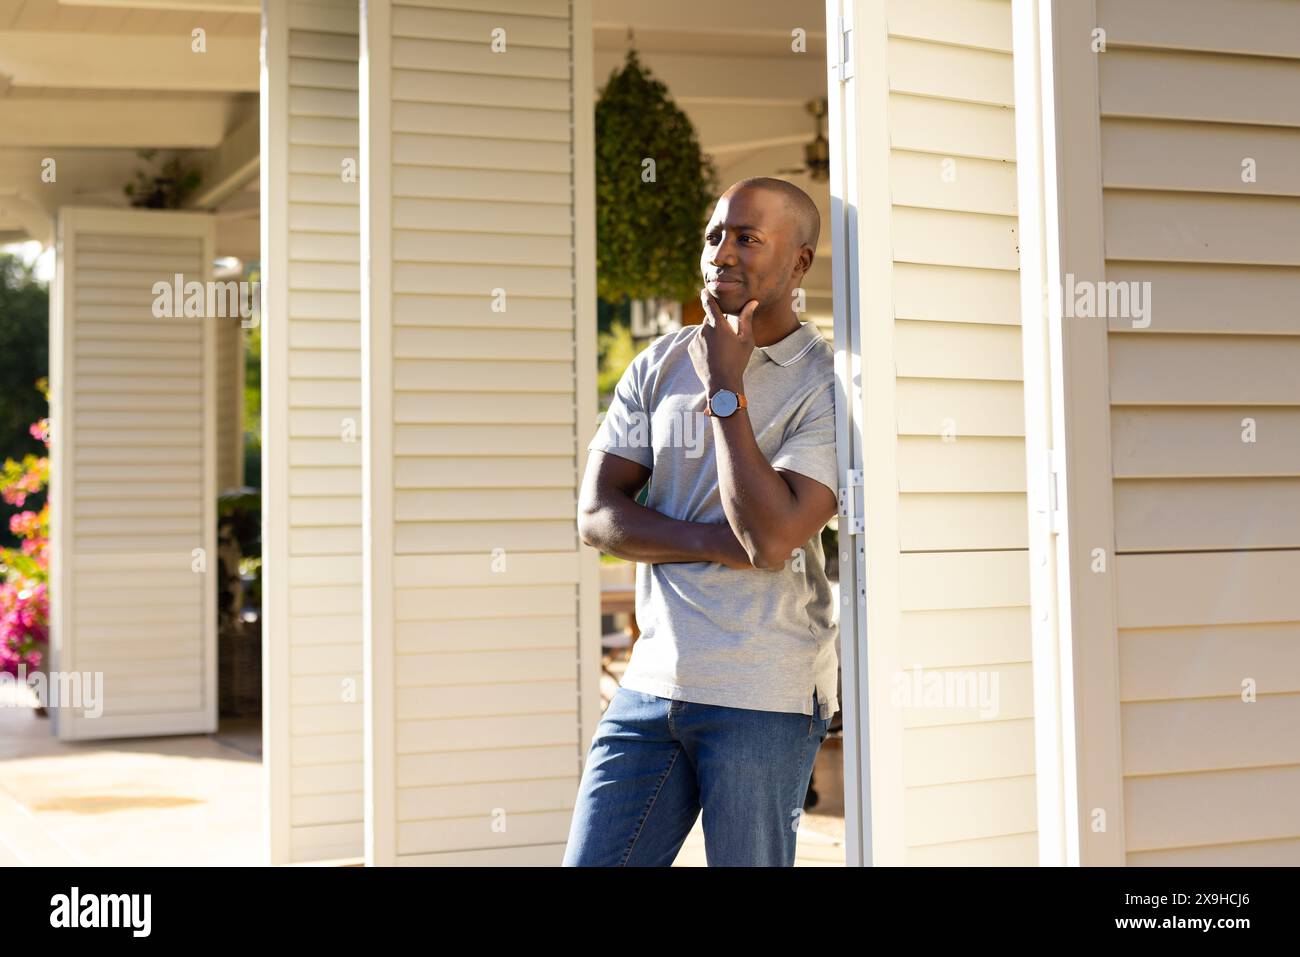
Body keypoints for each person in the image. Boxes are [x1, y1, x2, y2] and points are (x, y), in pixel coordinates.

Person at [562, 177, 840, 867]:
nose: (723, 251)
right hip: (651, 680)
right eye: (715, 234)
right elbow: (597, 515)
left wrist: (727, 387)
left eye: (748, 236)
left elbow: (773, 536)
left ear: (800, 263)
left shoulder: (827, 384)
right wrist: (717, 542)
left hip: (762, 689)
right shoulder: (657, 362)